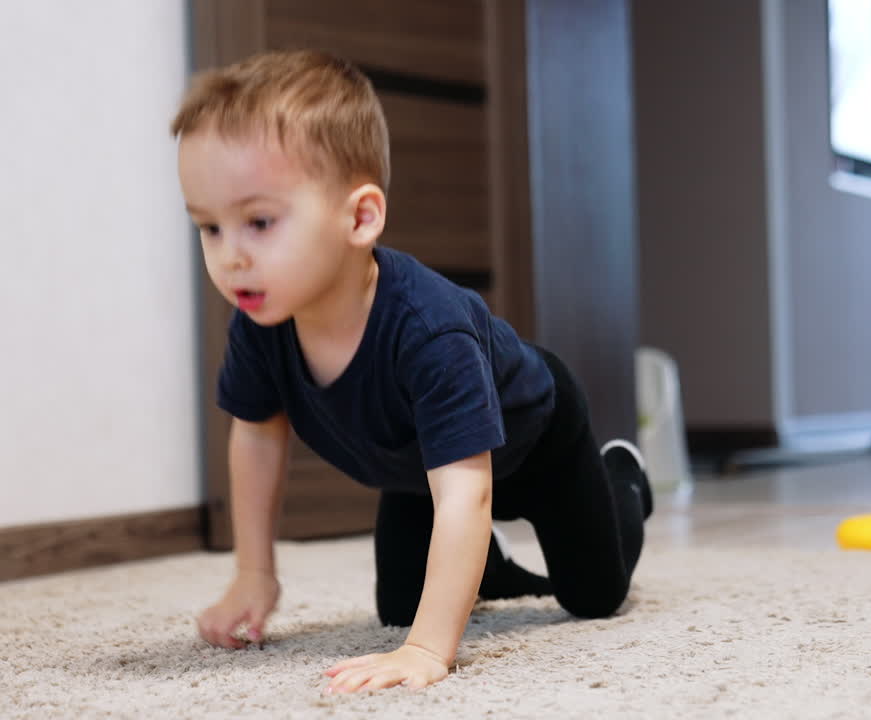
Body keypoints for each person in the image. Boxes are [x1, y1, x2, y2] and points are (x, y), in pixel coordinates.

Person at [172, 49, 652, 695]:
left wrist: (429, 650)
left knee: (594, 595)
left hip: (538, 447)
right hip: (421, 469)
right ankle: (489, 567)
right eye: (209, 228)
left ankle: (623, 480)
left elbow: (468, 493)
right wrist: (254, 572)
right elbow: (257, 436)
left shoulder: (430, 329)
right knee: (400, 605)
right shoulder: (262, 323)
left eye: (258, 222)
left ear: (360, 217)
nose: (230, 258)